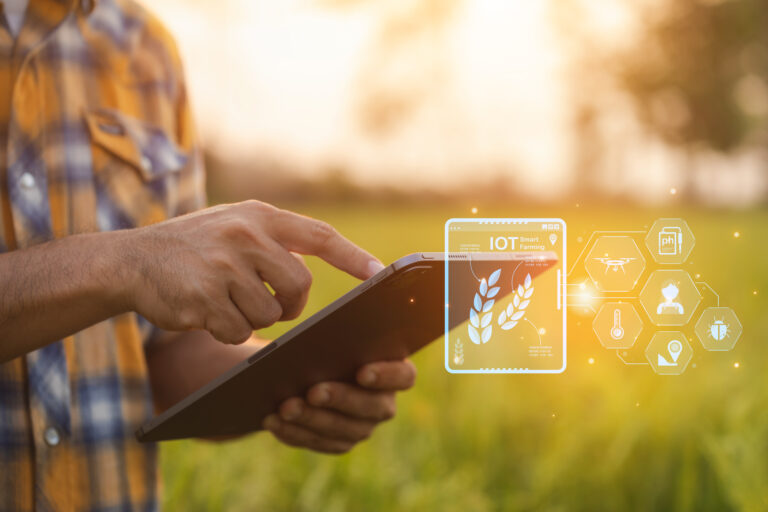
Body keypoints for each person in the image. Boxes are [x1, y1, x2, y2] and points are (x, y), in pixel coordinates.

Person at [0, 0, 416, 509]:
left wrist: (292, 374)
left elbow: (161, 353)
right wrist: (125, 262)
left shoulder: (145, 46)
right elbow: (135, 268)